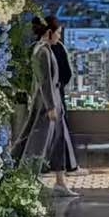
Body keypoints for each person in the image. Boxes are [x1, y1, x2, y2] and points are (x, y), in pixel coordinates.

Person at [13, 17, 78, 199]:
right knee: (37, 144)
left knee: (58, 143)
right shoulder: (41, 51)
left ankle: (60, 183)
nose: (59, 36)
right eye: (58, 33)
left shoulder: (46, 49)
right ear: (49, 32)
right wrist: (50, 106)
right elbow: (45, 82)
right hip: (46, 105)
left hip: (54, 102)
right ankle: (25, 183)